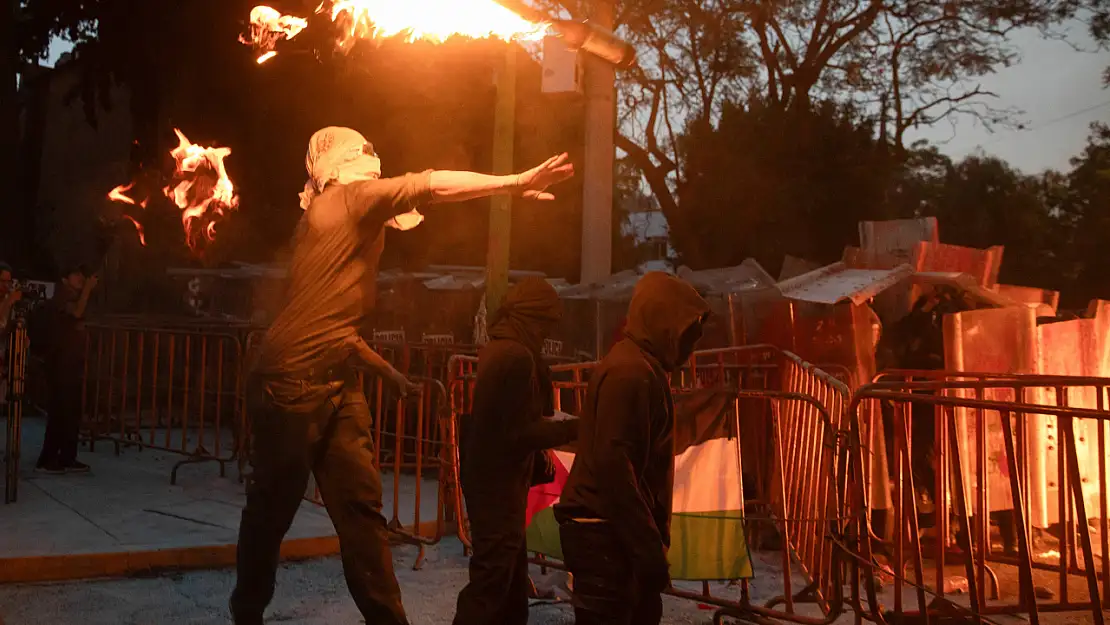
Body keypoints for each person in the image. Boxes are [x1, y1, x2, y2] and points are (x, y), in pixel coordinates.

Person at [230, 126, 574, 625]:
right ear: (347, 164)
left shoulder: (342, 222)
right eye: (369, 156)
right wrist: (514, 182)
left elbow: (335, 324)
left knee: (362, 515)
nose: (377, 166)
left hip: (335, 380)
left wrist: (387, 371)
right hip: (288, 382)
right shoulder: (345, 201)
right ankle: (245, 615)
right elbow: (427, 184)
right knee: (270, 513)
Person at [554, 272, 710, 625]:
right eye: (686, 330)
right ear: (662, 321)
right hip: (605, 535)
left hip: (611, 533)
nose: (691, 344)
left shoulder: (641, 367)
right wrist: (646, 547)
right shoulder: (631, 373)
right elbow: (614, 467)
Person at [452, 277, 579, 625]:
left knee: (508, 582)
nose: (546, 333)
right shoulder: (516, 357)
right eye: (545, 323)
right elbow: (517, 432)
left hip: (493, 479)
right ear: (531, 318)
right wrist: (575, 429)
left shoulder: (503, 348)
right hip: (497, 484)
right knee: (493, 581)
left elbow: (508, 423)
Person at [34, 265, 98, 474]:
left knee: (71, 412)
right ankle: (48, 459)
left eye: (82, 273)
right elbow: (76, 312)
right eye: (75, 274)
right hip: (59, 363)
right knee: (59, 412)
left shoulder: (73, 296)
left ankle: (68, 458)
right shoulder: (60, 298)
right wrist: (88, 289)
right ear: (64, 279)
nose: (80, 277)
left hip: (72, 363)